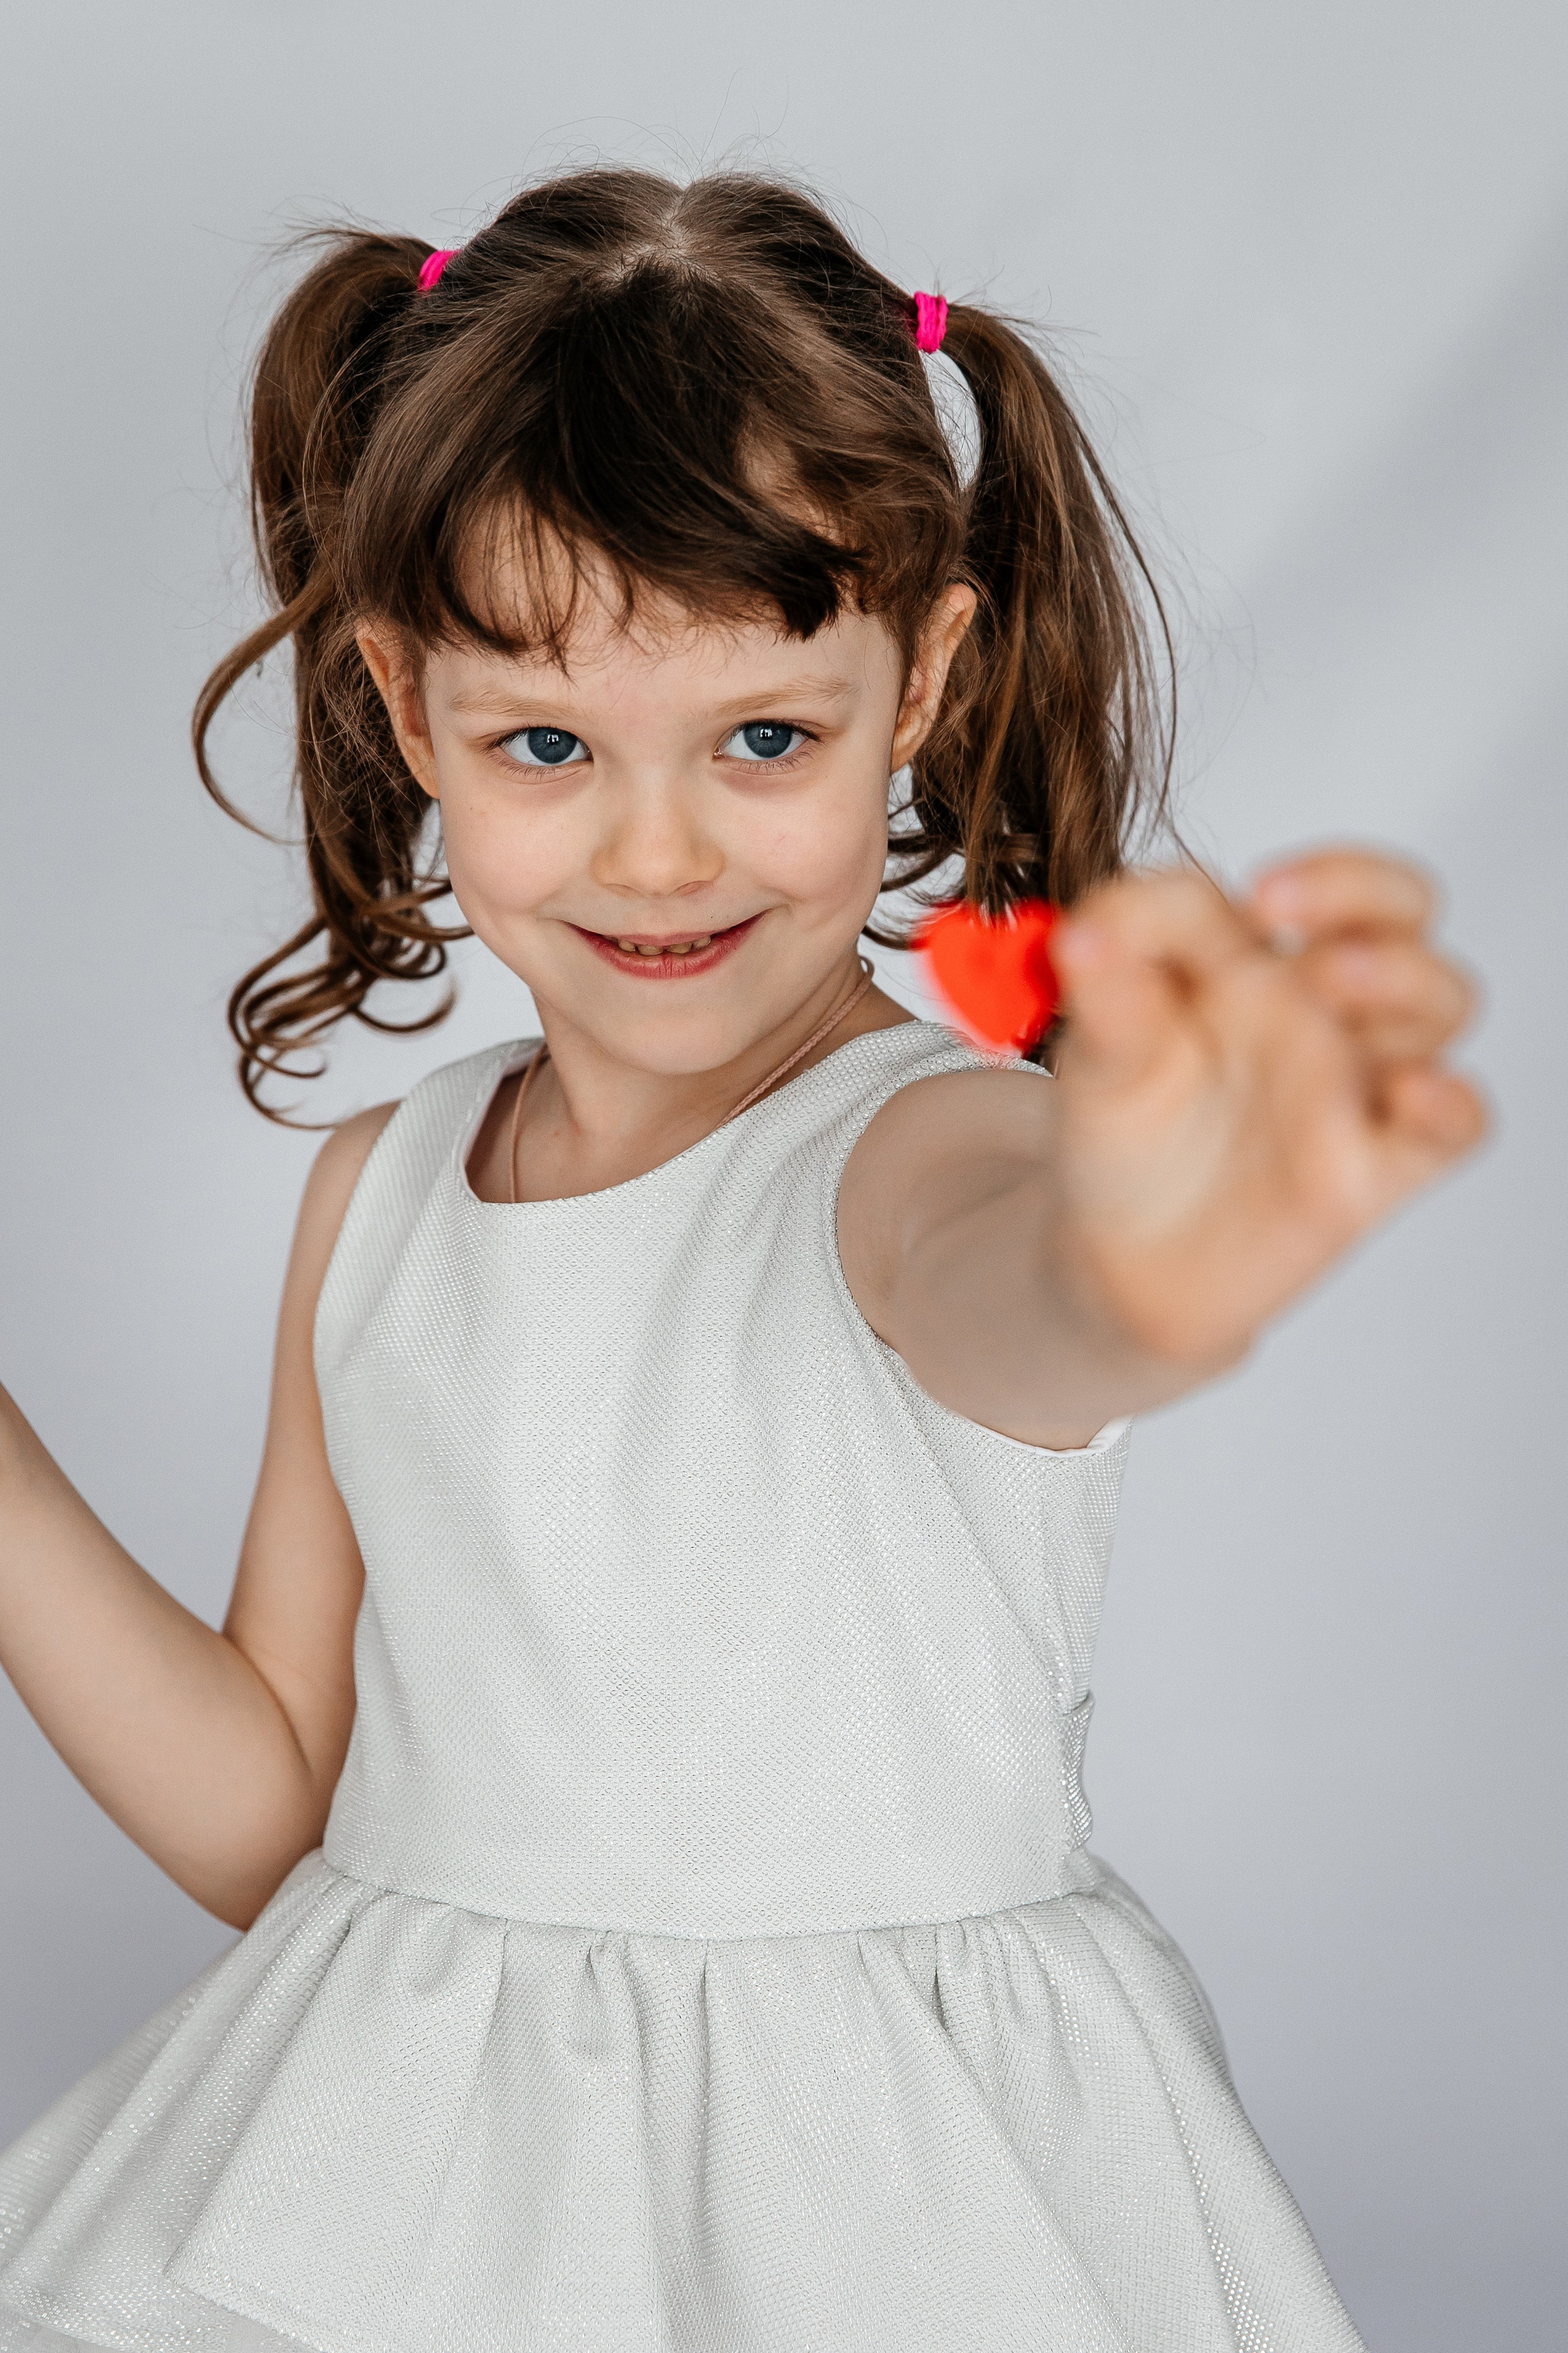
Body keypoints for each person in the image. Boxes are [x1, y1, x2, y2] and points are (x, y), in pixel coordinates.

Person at [0, 167, 1483, 2353]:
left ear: (922, 680)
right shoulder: (385, 1192)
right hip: (433, 2187)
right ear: (406, 706)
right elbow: (278, 1817)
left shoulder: (924, 1147)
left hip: (882, 2199)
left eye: (764, 736)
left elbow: (1023, 1286)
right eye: (546, 744)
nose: (659, 847)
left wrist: (1161, 1258)